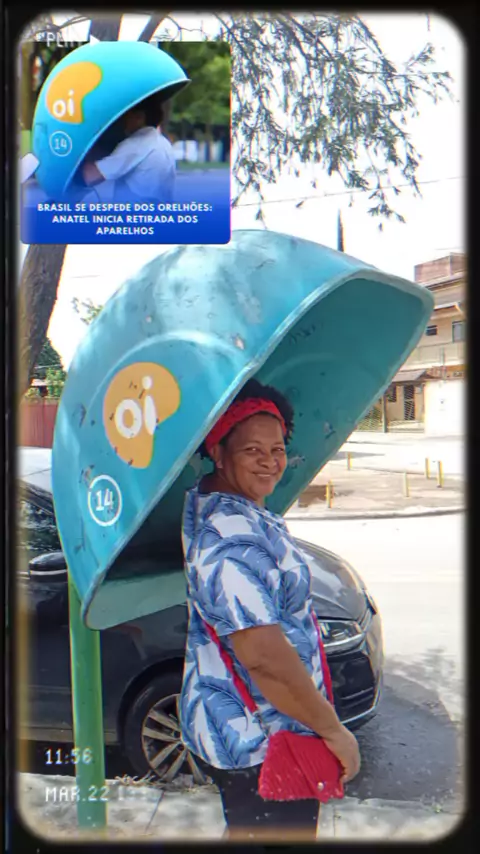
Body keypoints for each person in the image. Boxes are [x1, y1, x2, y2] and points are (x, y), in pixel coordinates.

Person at [179, 379, 361, 842]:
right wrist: (334, 732)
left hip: (263, 728)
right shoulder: (228, 539)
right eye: (252, 450)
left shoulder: (231, 505)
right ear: (218, 452)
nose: (270, 461)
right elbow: (262, 657)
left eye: (277, 449)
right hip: (261, 741)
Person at [81, 93, 176, 203]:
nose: (122, 119)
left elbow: (91, 175)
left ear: (139, 117)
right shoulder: (163, 143)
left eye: (126, 114)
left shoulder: (137, 143)